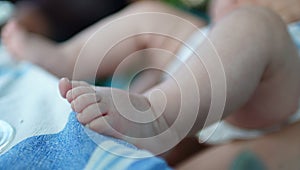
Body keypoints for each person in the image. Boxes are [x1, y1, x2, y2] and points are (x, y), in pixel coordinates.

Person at [56, 4, 300, 154]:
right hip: (208, 51)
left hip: (275, 83)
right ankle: (64, 59)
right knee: (150, 15)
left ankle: (158, 117)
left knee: (255, 25)